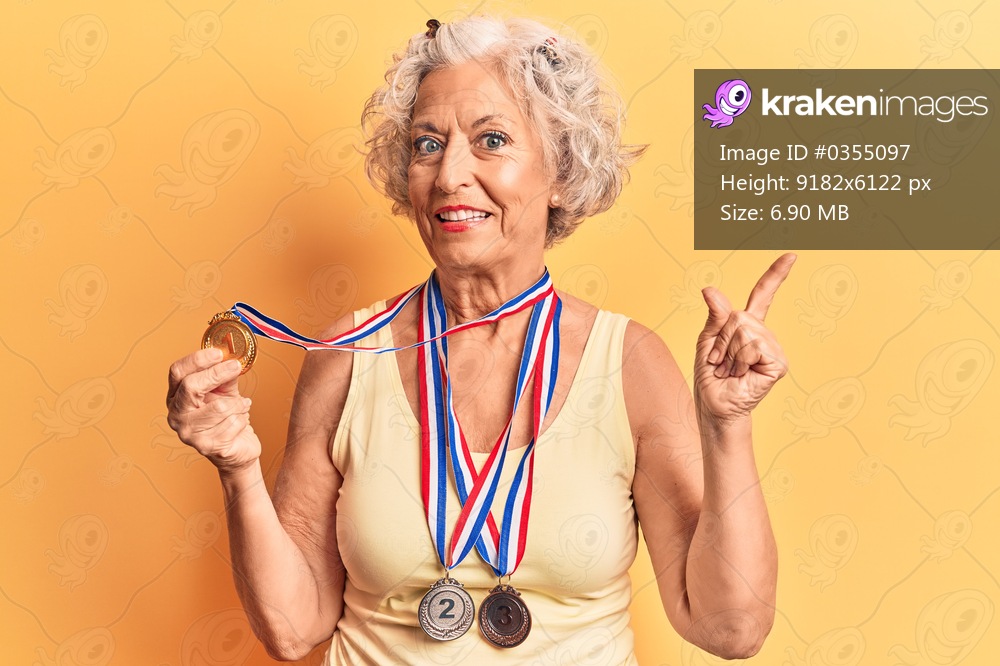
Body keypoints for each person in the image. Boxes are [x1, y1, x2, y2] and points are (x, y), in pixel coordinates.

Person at [166, 15, 793, 664]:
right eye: (427, 144)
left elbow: (730, 627)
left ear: (560, 174)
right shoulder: (344, 356)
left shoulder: (630, 364)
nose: (448, 175)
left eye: (491, 139)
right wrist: (238, 467)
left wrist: (727, 427)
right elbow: (294, 628)